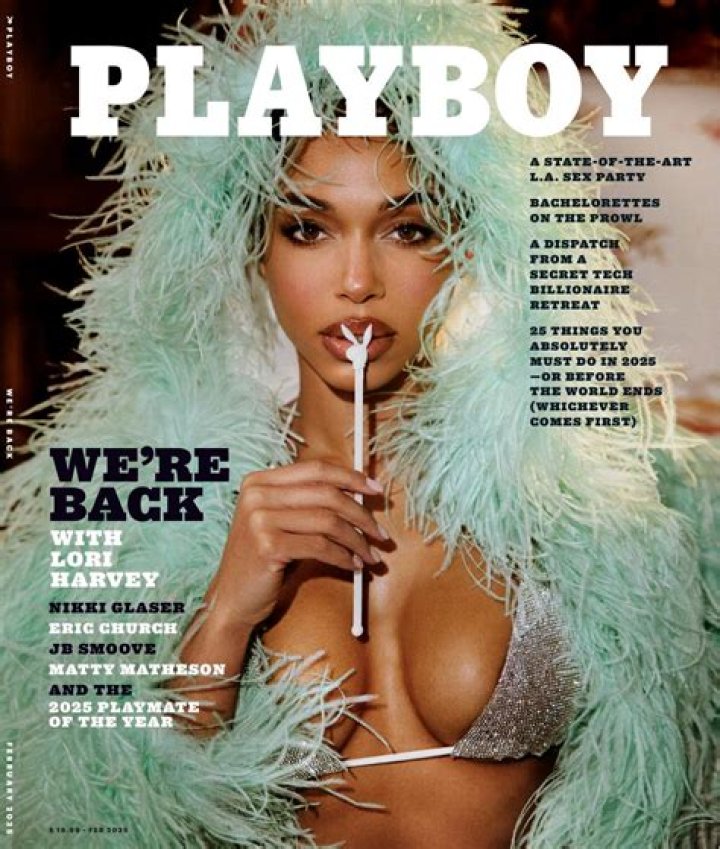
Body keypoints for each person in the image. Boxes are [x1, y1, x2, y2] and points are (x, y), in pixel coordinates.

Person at [0, 2, 716, 848]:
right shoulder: (160, 509)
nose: (355, 279)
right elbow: (111, 805)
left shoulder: (575, 494)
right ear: (255, 248)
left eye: (407, 229)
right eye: (307, 228)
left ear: (463, 245)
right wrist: (225, 612)